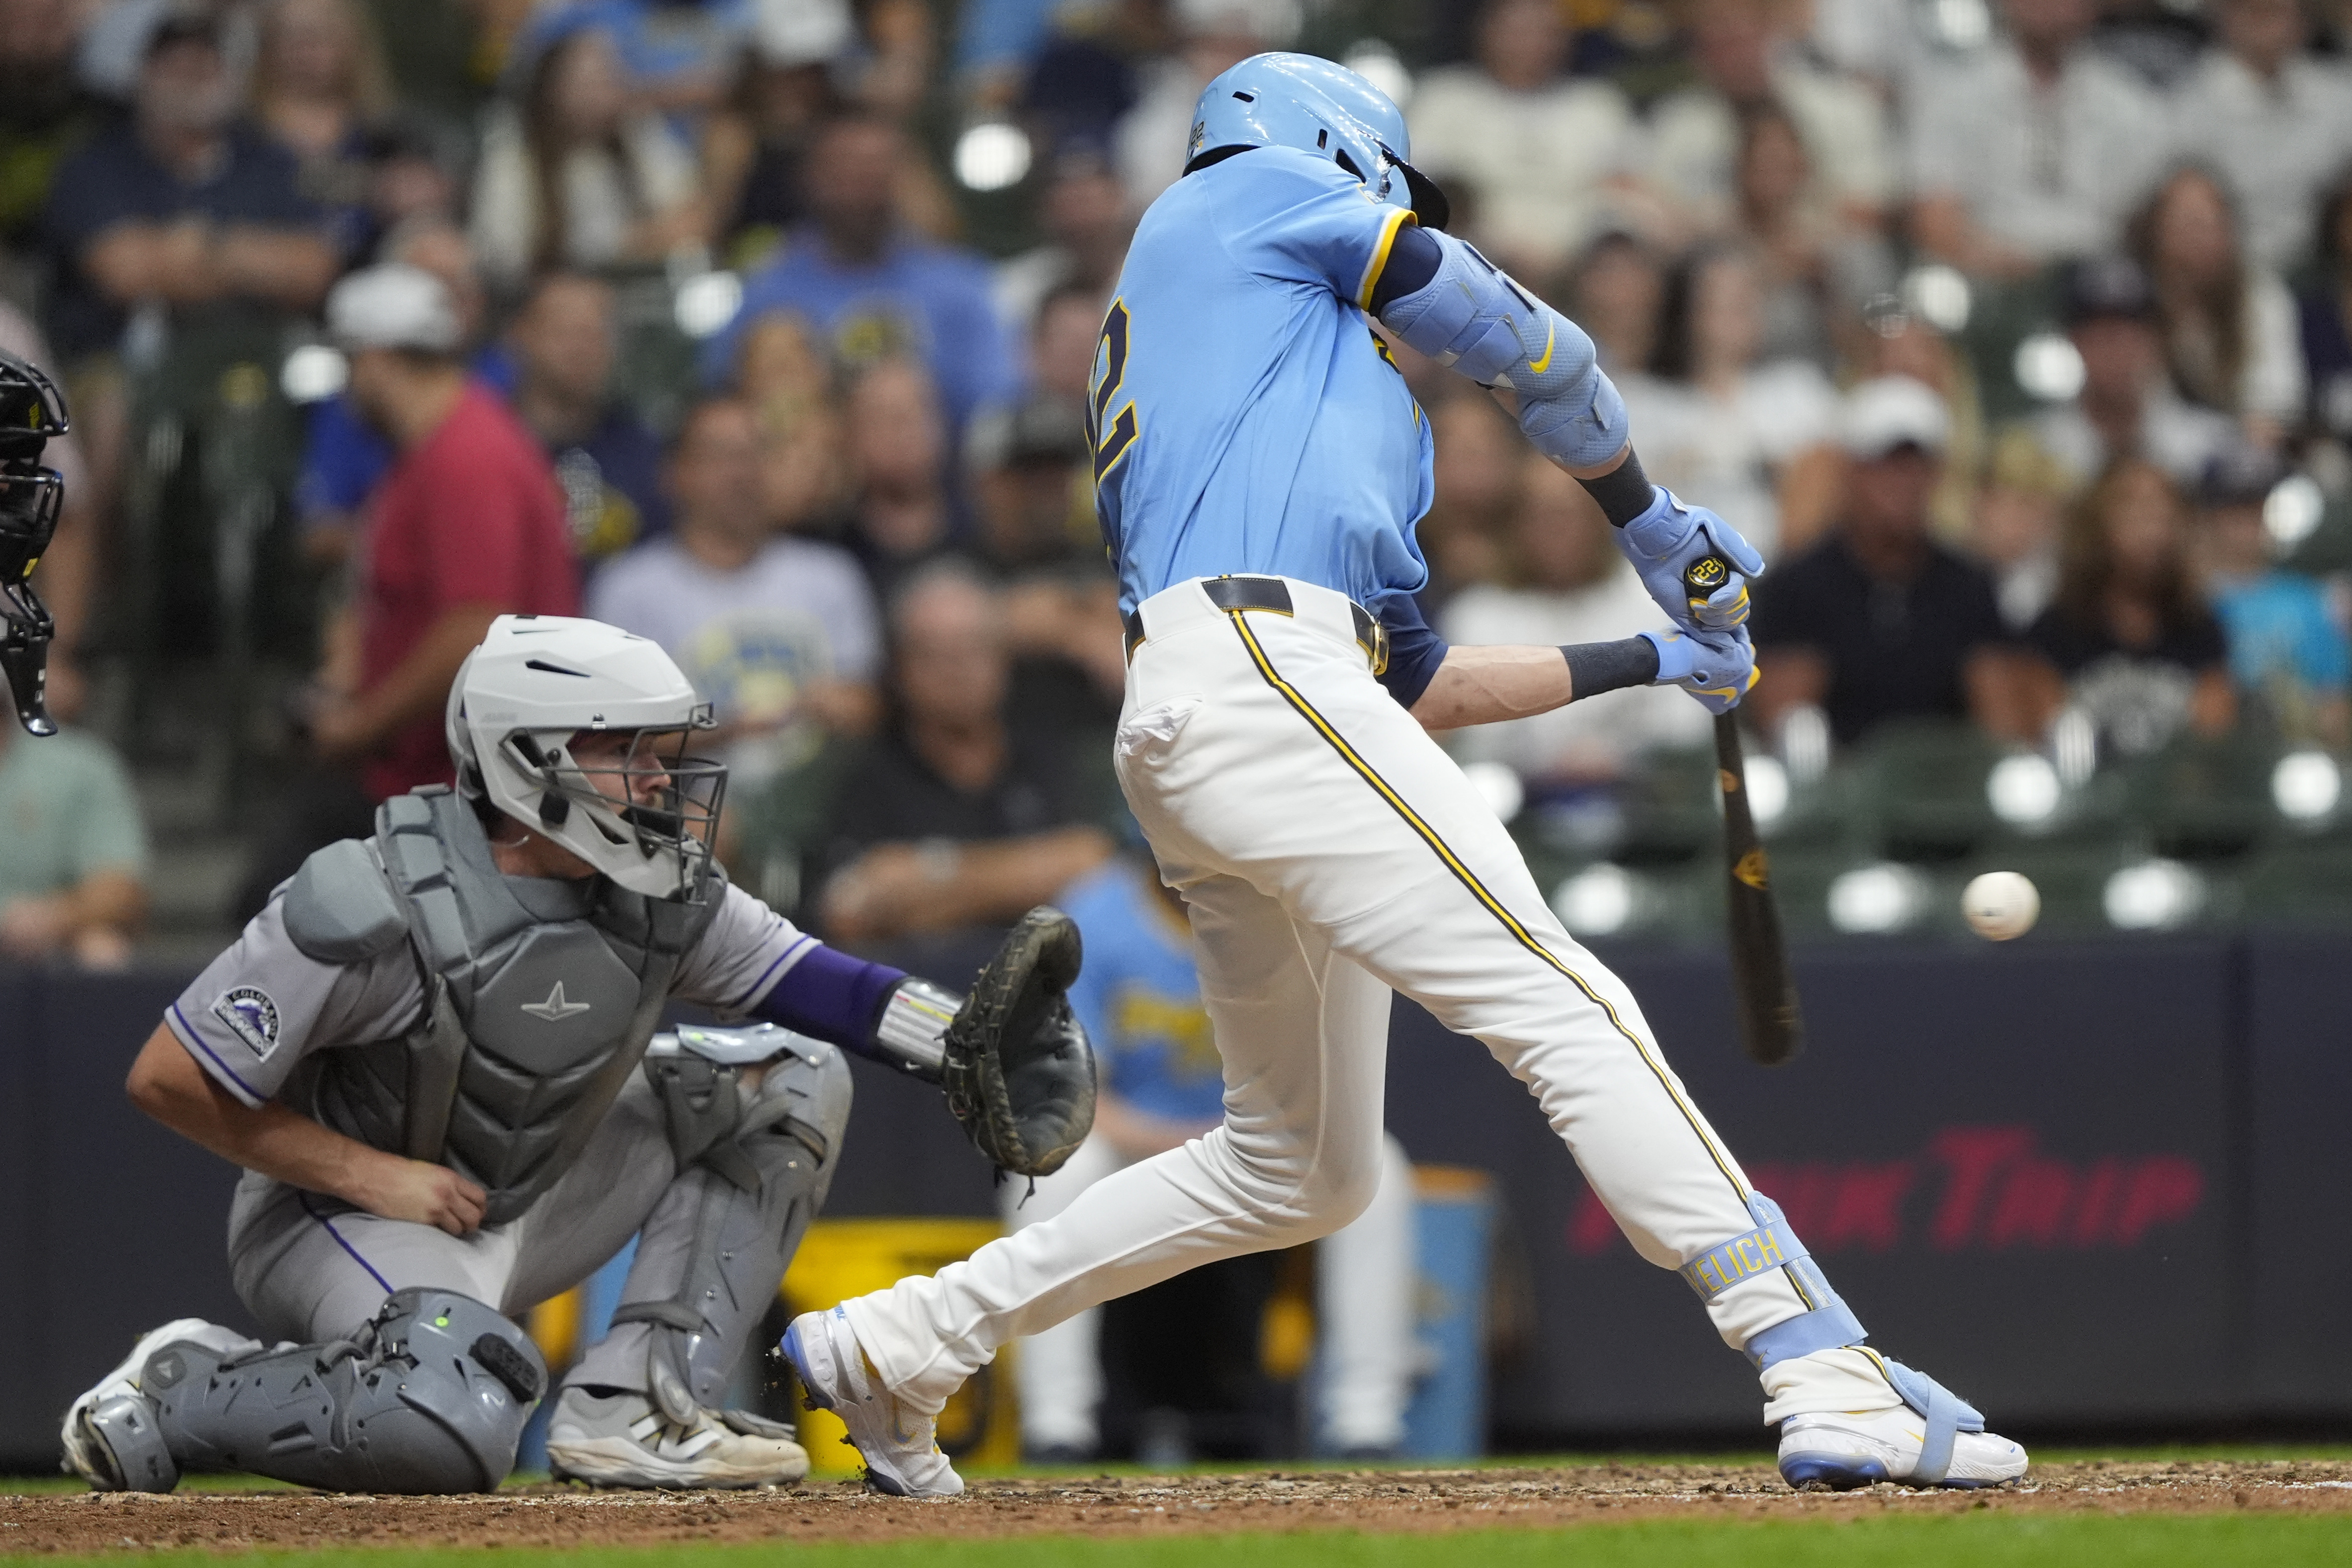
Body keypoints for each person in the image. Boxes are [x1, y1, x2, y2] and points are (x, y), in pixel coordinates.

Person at [779, 53, 2027, 1499]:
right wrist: (1650, 517)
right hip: (1253, 676)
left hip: (1240, 702)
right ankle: (1814, 1353)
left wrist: (1653, 658)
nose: (1385, 209)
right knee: (1566, 1002)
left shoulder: (1329, 395)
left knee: (1296, 1167)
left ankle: (908, 1339)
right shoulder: (1229, 199)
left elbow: (1414, 682)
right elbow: (1521, 336)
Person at [60, 613, 1078, 1494]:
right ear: (527, 755)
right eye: (626, 750)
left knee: (790, 1077)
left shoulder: (663, 890)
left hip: (529, 1185)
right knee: (446, 1423)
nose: (658, 776)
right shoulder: (373, 899)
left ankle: (637, 1405)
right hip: (346, 1215)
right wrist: (370, 1172)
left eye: (659, 749)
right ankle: (190, 1378)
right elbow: (169, 1077)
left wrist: (958, 1041)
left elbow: (820, 985)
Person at [1008, 847, 1417, 1462]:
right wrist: (1178, 1143)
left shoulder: (1283, 907)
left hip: (1263, 1141)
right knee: (1056, 1164)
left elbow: (1321, 1073)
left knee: (1380, 1170)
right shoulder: (1094, 915)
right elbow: (1072, 1091)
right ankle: (1055, 1424)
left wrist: (1245, 1139)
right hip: (1137, 1144)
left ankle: (1366, 1421)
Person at [812, 563, 1113, 949]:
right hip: (920, 993)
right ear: (901, 667)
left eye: (974, 648)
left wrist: (929, 876)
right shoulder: (865, 774)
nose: (957, 670)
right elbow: (849, 912)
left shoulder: (1048, 755)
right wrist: (1034, 876)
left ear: (1004, 658)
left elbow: (1095, 868)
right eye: (936, 653)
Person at [586, 396, 881, 786]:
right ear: (675, 473)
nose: (741, 473)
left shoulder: (830, 575)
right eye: (721, 455)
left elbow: (869, 708)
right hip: (677, 816)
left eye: (754, 453)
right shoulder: (629, 588)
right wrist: (729, 729)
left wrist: (838, 708)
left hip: (820, 814)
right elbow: (609, 738)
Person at [1749, 376, 2043, 748]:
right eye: (1884, 464)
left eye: (1914, 466)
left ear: (1935, 476)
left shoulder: (1968, 587)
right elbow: (1787, 731)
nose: (1900, 482)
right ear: (1852, 473)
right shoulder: (1799, 587)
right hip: (1837, 797)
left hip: (1948, 792)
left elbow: (2004, 730)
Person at [701, 112, 1017, 433]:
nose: (864, 185)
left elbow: (997, 408)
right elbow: (723, 406)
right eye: (847, 168)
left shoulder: (961, 285)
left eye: (877, 167)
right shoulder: (766, 293)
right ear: (810, 178)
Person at [1441, 456, 1711, 785]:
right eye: (1538, 515)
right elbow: (1471, 742)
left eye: (1567, 514)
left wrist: (1619, 758)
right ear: (1513, 525)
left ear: (1598, 521)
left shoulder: (1654, 604)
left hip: (1642, 801)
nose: (1555, 530)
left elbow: (1687, 728)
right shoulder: (1477, 616)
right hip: (1522, 805)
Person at [1906, 0, 2169, 277]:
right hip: (1986, 280)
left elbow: (2151, 222)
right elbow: (1933, 218)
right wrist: (1993, 265)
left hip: (2102, 284)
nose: (2049, 6)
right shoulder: (1952, 98)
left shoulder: (2134, 108)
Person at [1615, 243, 1839, 559]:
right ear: (1685, 313)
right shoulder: (1639, 401)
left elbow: (1822, 497)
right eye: (1724, 301)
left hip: (1780, 579)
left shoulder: (1799, 390)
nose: (1742, 311)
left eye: (1750, 298)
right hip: (1672, 576)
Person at [1404, 0, 1641, 278]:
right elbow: (1425, 193)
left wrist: (1564, 253)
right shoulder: (1442, 99)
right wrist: (1499, 244)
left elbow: (1626, 194)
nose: (1530, 43)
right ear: (1485, 31)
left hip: (1581, 264)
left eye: (1545, 31)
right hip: (1468, 258)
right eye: (1517, 30)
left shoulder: (1598, 106)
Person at [2026, 457, 2236, 756]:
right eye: (2134, 509)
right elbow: (2044, 737)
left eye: (2164, 512)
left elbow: (2211, 747)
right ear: (2096, 524)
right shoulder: (2055, 629)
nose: (2152, 527)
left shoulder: (2202, 629)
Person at [469, 25, 704, 291]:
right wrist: (624, 247)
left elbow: (690, 214)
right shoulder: (512, 159)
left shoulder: (637, 134)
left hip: (637, 289)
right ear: (551, 87)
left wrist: (642, 244)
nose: (599, 94)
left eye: (608, 78)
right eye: (586, 82)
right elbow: (502, 257)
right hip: (546, 295)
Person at [2171, 0, 2352, 274]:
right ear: (2223, 17)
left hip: (2329, 269)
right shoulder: (2184, 110)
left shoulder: (2340, 97)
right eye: (2251, 9)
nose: (2266, 22)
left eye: (2278, 9)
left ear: (2303, 19)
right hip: (2230, 275)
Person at [2130, 167, 2305, 448]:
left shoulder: (2259, 297)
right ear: (2155, 228)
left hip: (2235, 452)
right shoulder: (2129, 295)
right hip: (2148, 450)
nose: (2196, 234)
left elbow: (2276, 401)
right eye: (2184, 220)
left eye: (2208, 221)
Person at [507, 271, 671, 570]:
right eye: (565, 332)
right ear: (522, 335)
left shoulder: (642, 451)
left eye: (597, 334)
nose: (582, 349)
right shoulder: (487, 447)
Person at [2031, 256, 2237, 491]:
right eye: (2101, 338)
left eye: (2131, 337)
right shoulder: (2039, 451)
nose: (2116, 354)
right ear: (2074, 342)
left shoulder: (2210, 446)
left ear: (2159, 342)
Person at [2192, 445, 2350, 746]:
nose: (2246, 524)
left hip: (2292, 749)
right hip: (2214, 750)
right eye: (2233, 510)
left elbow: (2333, 700)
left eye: (2257, 509)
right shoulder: (2191, 598)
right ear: (2211, 516)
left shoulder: (2308, 600)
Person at [247, 0, 394, 259]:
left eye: (319, 34)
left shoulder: (387, 138)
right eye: (291, 35)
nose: (306, 49)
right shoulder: (238, 137)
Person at [0, 717, 148, 969]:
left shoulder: (77, 765)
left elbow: (121, 890)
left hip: (39, 955)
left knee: (101, 950)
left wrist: (49, 918)